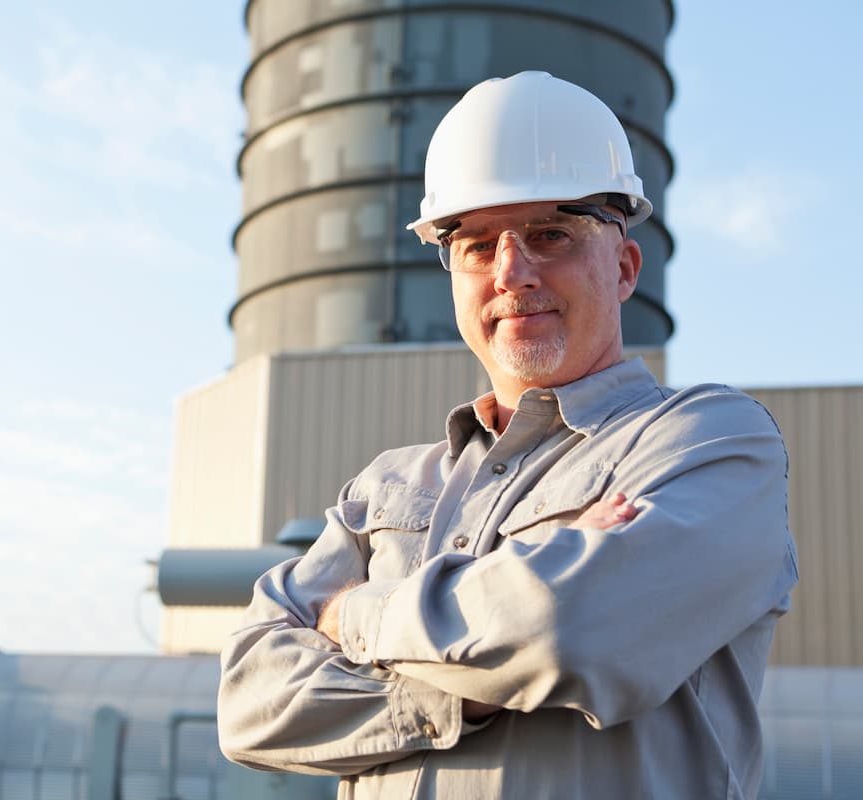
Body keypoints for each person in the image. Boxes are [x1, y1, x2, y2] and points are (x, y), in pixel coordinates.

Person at [217, 71, 798, 799]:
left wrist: (352, 617)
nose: (512, 271)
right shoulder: (382, 489)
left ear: (624, 266)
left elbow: (572, 632)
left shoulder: (708, 442)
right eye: (478, 244)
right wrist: (468, 686)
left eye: (552, 234)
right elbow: (247, 703)